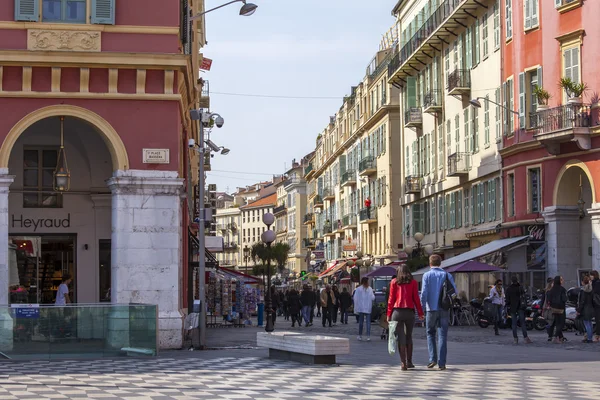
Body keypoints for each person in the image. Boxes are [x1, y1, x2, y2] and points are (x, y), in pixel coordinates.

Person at [421, 254, 456, 371]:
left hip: (431, 309)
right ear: (440, 263)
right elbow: (454, 291)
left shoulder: (426, 275)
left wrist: (422, 308)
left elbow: (424, 292)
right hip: (444, 308)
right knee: (442, 336)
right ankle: (442, 363)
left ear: (430, 263)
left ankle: (432, 359)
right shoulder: (447, 275)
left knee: (430, 333)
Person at [387, 264, 424, 371]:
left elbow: (391, 300)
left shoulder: (394, 282)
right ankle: (410, 361)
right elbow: (416, 299)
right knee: (409, 336)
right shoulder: (413, 282)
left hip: (397, 312)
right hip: (409, 312)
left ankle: (403, 363)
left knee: (401, 337)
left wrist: (389, 314)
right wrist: (421, 313)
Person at [505, 276, 532, 344]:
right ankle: (525, 338)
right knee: (522, 323)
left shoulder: (508, 289)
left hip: (512, 308)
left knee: (514, 324)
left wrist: (509, 305)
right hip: (520, 307)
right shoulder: (520, 288)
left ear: (511, 281)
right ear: (517, 280)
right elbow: (524, 297)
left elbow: (507, 300)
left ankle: (515, 339)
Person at [547, 275, 568, 344]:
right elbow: (564, 299)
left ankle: (560, 337)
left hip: (554, 308)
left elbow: (548, 298)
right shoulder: (562, 289)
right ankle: (555, 337)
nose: (563, 281)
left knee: (557, 322)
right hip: (561, 308)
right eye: (561, 280)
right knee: (561, 324)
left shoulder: (552, 289)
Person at [577, 275, 595, 343]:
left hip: (585, 309)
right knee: (590, 323)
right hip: (591, 308)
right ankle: (590, 337)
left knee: (586, 324)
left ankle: (589, 339)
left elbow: (582, 302)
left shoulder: (583, 291)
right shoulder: (591, 290)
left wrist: (579, 310)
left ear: (583, 282)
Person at [591, 270, 600, 342]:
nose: (590, 276)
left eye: (591, 275)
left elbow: (595, 293)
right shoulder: (595, 282)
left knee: (598, 320)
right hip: (596, 304)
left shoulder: (596, 283)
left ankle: (598, 335)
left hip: (597, 304)